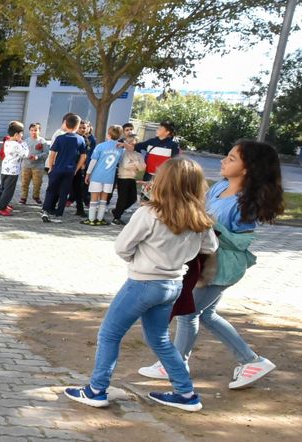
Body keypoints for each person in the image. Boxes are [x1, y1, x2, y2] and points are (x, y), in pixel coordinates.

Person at [64, 156, 216, 413]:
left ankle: (96, 389)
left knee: (109, 334)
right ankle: (186, 392)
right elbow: (210, 247)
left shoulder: (149, 213)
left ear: (163, 182)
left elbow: (122, 247)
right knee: (159, 339)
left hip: (143, 283)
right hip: (173, 285)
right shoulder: (199, 218)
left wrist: (140, 260)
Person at [138, 140, 285, 390]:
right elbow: (196, 212)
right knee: (205, 314)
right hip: (203, 260)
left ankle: (175, 364)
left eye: (231, 158)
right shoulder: (219, 188)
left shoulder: (244, 203)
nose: (223, 162)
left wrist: (207, 225)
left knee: (188, 311)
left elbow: (239, 242)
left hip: (221, 266)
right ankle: (250, 360)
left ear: (247, 168)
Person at [124, 121, 180, 225]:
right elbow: (134, 147)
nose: (157, 130)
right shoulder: (151, 142)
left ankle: (155, 222)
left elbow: (175, 162)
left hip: (163, 177)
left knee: (159, 200)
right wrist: (123, 144)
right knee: (145, 199)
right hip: (148, 175)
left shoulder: (173, 146)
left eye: (160, 128)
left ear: (167, 132)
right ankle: (141, 221)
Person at [41, 113, 88, 223]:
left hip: (57, 168)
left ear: (66, 124)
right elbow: (83, 156)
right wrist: (76, 168)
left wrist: (51, 166)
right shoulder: (80, 139)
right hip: (70, 170)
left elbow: (52, 153)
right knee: (64, 191)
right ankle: (59, 213)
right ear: (77, 127)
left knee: (51, 190)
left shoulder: (60, 138)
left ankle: (46, 210)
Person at [85, 124, 126, 225]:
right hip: (109, 177)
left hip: (97, 176)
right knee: (104, 198)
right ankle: (100, 219)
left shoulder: (101, 146)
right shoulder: (121, 148)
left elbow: (93, 161)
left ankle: (91, 219)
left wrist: (87, 173)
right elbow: (120, 162)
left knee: (94, 197)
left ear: (109, 134)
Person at [0, 120, 25, 216]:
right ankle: (1, 208)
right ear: (17, 134)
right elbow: (25, 154)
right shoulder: (17, 145)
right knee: (8, 190)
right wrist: (23, 144)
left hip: (5, 169)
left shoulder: (7, 142)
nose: (22, 135)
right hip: (13, 171)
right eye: (21, 133)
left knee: (2, 187)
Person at [112, 123, 144, 224]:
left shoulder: (138, 153)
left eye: (134, 141)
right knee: (122, 197)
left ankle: (116, 211)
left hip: (132, 177)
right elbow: (126, 165)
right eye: (130, 141)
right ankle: (116, 217)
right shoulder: (123, 151)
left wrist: (135, 164)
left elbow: (142, 167)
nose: (132, 142)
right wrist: (136, 164)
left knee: (133, 198)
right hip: (123, 177)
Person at [71, 121, 97, 218]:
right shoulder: (74, 138)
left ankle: (80, 209)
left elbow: (86, 154)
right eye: (80, 127)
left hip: (79, 167)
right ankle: (51, 206)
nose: (82, 129)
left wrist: (83, 165)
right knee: (62, 187)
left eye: (84, 128)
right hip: (71, 166)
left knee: (78, 189)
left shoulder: (87, 140)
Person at [19, 122, 47, 205]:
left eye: (36, 130)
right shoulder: (26, 141)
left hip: (38, 166)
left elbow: (46, 153)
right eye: (32, 130)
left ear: (39, 131)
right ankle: (23, 197)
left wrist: (37, 156)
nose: (34, 132)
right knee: (24, 183)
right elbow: (21, 152)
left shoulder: (43, 142)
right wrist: (27, 155)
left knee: (37, 183)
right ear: (29, 131)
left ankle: (36, 196)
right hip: (26, 165)